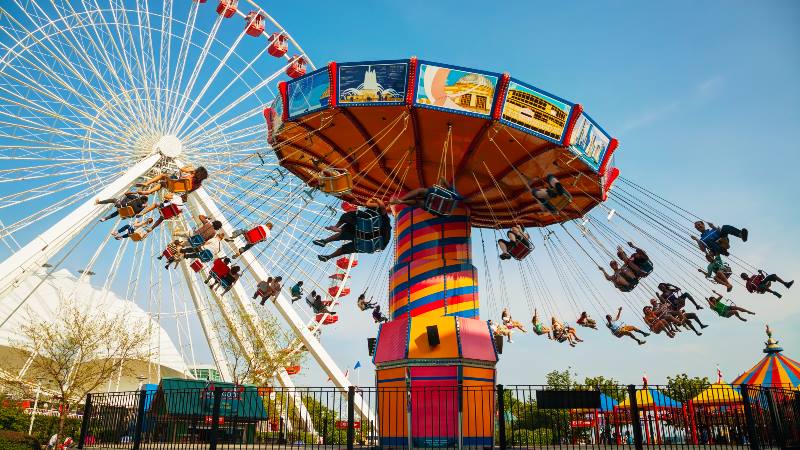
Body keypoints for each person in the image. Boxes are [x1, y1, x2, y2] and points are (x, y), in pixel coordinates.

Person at [315, 198, 391, 261]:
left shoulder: (377, 217)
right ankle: (328, 257)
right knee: (345, 248)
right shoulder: (382, 218)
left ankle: (329, 236)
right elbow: (383, 208)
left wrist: (377, 200)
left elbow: (382, 208)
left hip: (369, 236)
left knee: (350, 219)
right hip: (374, 242)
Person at [389, 177, 461, 212]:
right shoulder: (455, 196)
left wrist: (439, 186)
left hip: (435, 202)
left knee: (420, 191)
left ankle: (401, 200)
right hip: (437, 208)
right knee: (418, 202)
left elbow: (442, 179)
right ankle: (401, 201)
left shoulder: (450, 192)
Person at [136, 165, 208, 195]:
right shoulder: (198, 185)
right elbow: (188, 192)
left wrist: (189, 168)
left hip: (173, 183)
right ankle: (148, 191)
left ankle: (147, 184)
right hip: (175, 190)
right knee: (162, 184)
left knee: (162, 175)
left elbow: (181, 169)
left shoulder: (190, 175)